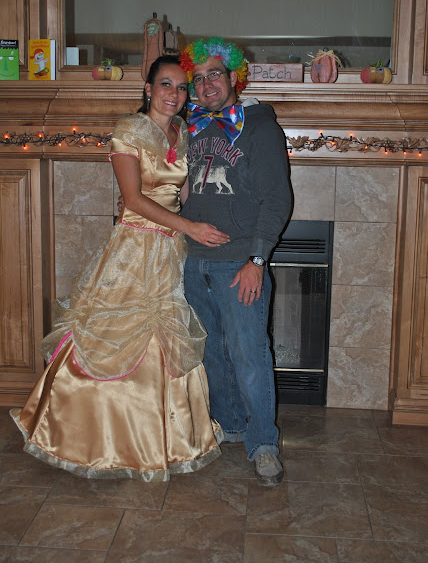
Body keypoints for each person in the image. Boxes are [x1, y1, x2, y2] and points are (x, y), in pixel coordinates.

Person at [10, 55, 229, 481]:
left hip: (171, 250)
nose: (175, 94)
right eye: (166, 84)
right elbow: (133, 199)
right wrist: (190, 227)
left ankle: (163, 439)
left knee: (166, 340)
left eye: (182, 87)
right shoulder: (129, 129)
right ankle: (93, 440)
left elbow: (182, 193)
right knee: (114, 336)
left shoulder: (182, 131)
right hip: (134, 247)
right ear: (148, 89)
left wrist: (205, 222)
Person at [179, 37, 293, 487]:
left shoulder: (259, 127)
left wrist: (256, 260)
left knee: (249, 356)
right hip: (194, 264)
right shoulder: (189, 126)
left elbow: (277, 200)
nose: (207, 84)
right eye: (198, 78)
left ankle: (264, 444)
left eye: (215, 74)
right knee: (211, 353)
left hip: (240, 263)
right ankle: (231, 425)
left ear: (233, 77)